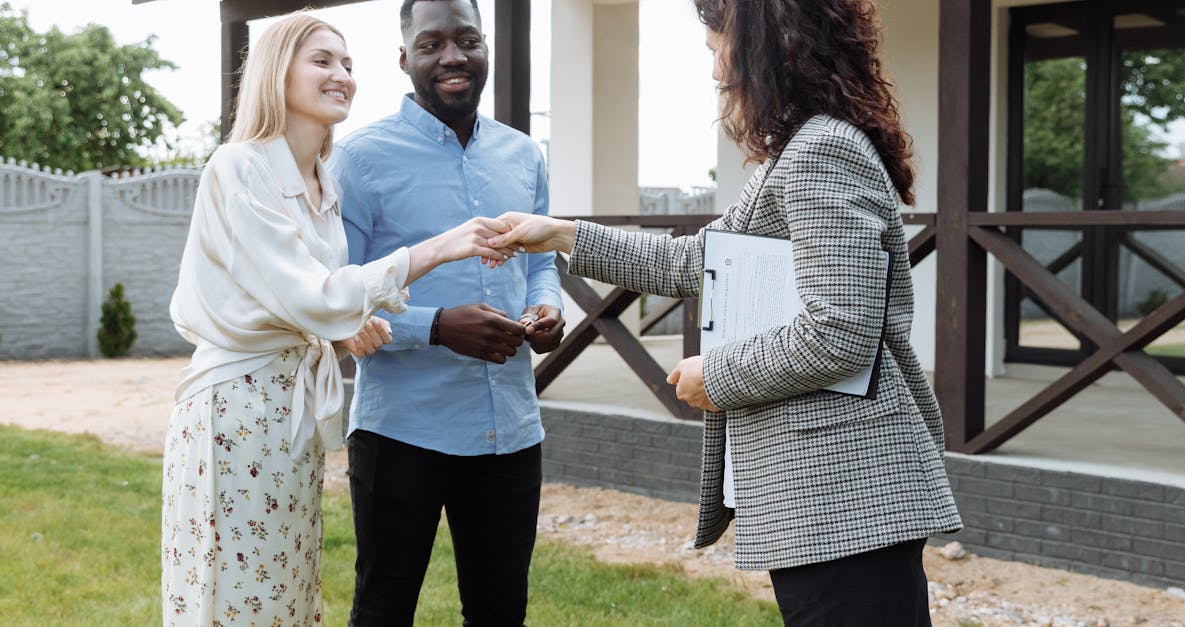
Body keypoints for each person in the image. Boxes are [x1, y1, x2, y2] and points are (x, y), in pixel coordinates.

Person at [490, 0, 962, 624]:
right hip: (827, 500)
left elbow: (839, 330)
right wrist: (561, 234)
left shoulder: (821, 152)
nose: (716, 70)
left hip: (844, 493)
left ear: (768, 44)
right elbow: (695, 261)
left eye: (719, 47)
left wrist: (715, 376)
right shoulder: (801, 151)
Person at [161, 13, 515, 625]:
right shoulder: (237, 167)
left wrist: (348, 325)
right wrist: (437, 249)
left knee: (285, 595)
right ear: (277, 72)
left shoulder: (322, 182)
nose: (342, 75)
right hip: (236, 409)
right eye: (322, 61)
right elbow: (315, 295)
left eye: (348, 64)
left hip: (293, 413)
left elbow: (311, 301)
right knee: (230, 595)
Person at [328, 1, 564, 624]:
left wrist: (546, 306)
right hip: (401, 430)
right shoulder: (358, 159)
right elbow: (339, 297)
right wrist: (436, 327)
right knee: (383, 608)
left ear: (485, 47)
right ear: (404, 58)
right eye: (432, 44)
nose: (452, 56)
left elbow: (540, 263)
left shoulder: (523, 155)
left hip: (510, 429)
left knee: (500, 610)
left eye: (467, 40)